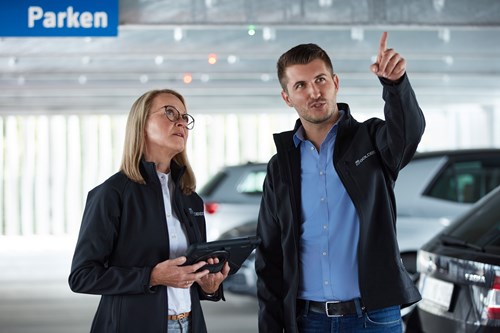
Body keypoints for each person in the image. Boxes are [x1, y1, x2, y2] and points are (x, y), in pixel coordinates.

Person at [255, 32, 425, 332]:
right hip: (309, 320)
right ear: (287, 97)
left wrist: (395, 86)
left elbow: (407, 135)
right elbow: (270, 258)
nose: (314, 92)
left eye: (320, 80)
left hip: (374, 317)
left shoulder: (371, 140)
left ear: (335, 82)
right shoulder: (281, 166)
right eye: (300, 85)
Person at [68, 88, 230, 333]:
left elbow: (190, 275)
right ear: (141, 124)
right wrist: (151, 276)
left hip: (190, 324)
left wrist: (210, 285)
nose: (181, 122)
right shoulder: (111, 194)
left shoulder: (190, 199)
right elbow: (82, 276)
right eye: (170, 113)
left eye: (185, 118)